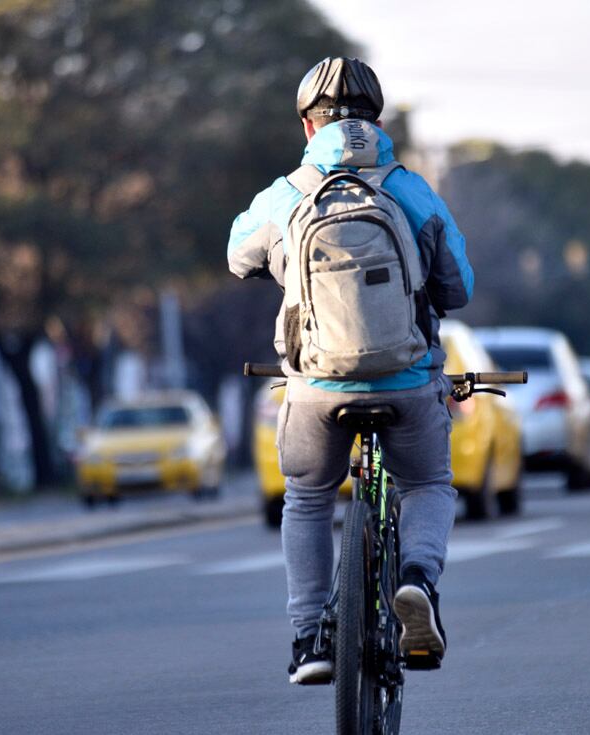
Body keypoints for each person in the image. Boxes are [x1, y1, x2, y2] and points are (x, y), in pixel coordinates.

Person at [226, 57, 473, 684]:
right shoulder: (410, 190)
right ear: (379, 122)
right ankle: (417, 579)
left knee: (307, 500)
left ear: (309, 128)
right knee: (427, 486)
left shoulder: (288, 193)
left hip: (314, 388)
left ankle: (311, 639)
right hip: (410, 380)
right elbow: (459, 287)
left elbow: (236, 255)